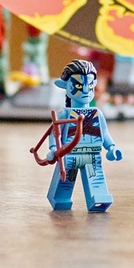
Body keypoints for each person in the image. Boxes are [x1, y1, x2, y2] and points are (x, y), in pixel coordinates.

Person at [42, 57, 123, 212]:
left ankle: (99, 199)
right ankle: (60, 200)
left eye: (90, 85)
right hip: (69, 155)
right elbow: (54, 132)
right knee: (65, 183)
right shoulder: (64, 114)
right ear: (65, 86)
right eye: (79, 86)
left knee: (96, 182)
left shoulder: (97, 113)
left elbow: (104, 133)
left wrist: (112, 147)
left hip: (92, 155)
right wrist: (53, 149)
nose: (85, 90)